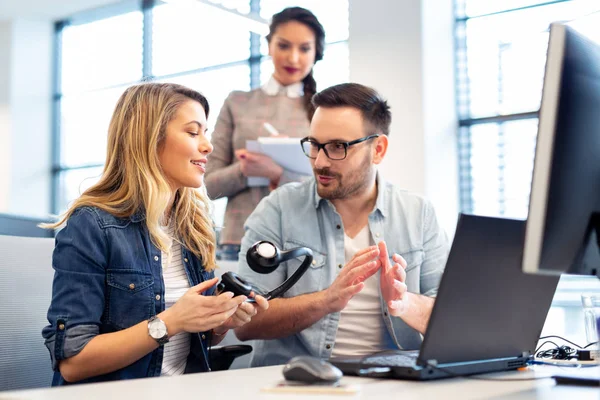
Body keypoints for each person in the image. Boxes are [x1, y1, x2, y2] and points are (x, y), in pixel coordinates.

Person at [41, 83, 268, 385]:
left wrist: (218, 322)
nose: (208, 146)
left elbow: (189, 344)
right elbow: (73, 361)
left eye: (206, 133)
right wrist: (170, 322)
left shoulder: (193, 227)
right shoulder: (92, 224)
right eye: (192, 132)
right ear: (150, 138)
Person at [234, 83, 450, 367]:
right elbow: (246, 323)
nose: (320, 161)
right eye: (314, 144)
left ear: (378, 150)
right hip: (296, 381)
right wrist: (326, 301)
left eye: (338, 147)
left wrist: (404, 302)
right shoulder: (277, 210)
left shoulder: (419, 214)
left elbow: (450, 321)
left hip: (393, 382)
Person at [204, 7, 326, 259]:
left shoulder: (323, 110)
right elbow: (207, 186)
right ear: (269, 46)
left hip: (305, 239)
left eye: (304, 49)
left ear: (317, 53)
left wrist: (278, 174)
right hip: (240, 239)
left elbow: (330, 187)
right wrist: (244, 170)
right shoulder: (237, 102)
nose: (293, 58)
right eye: (284, 46)